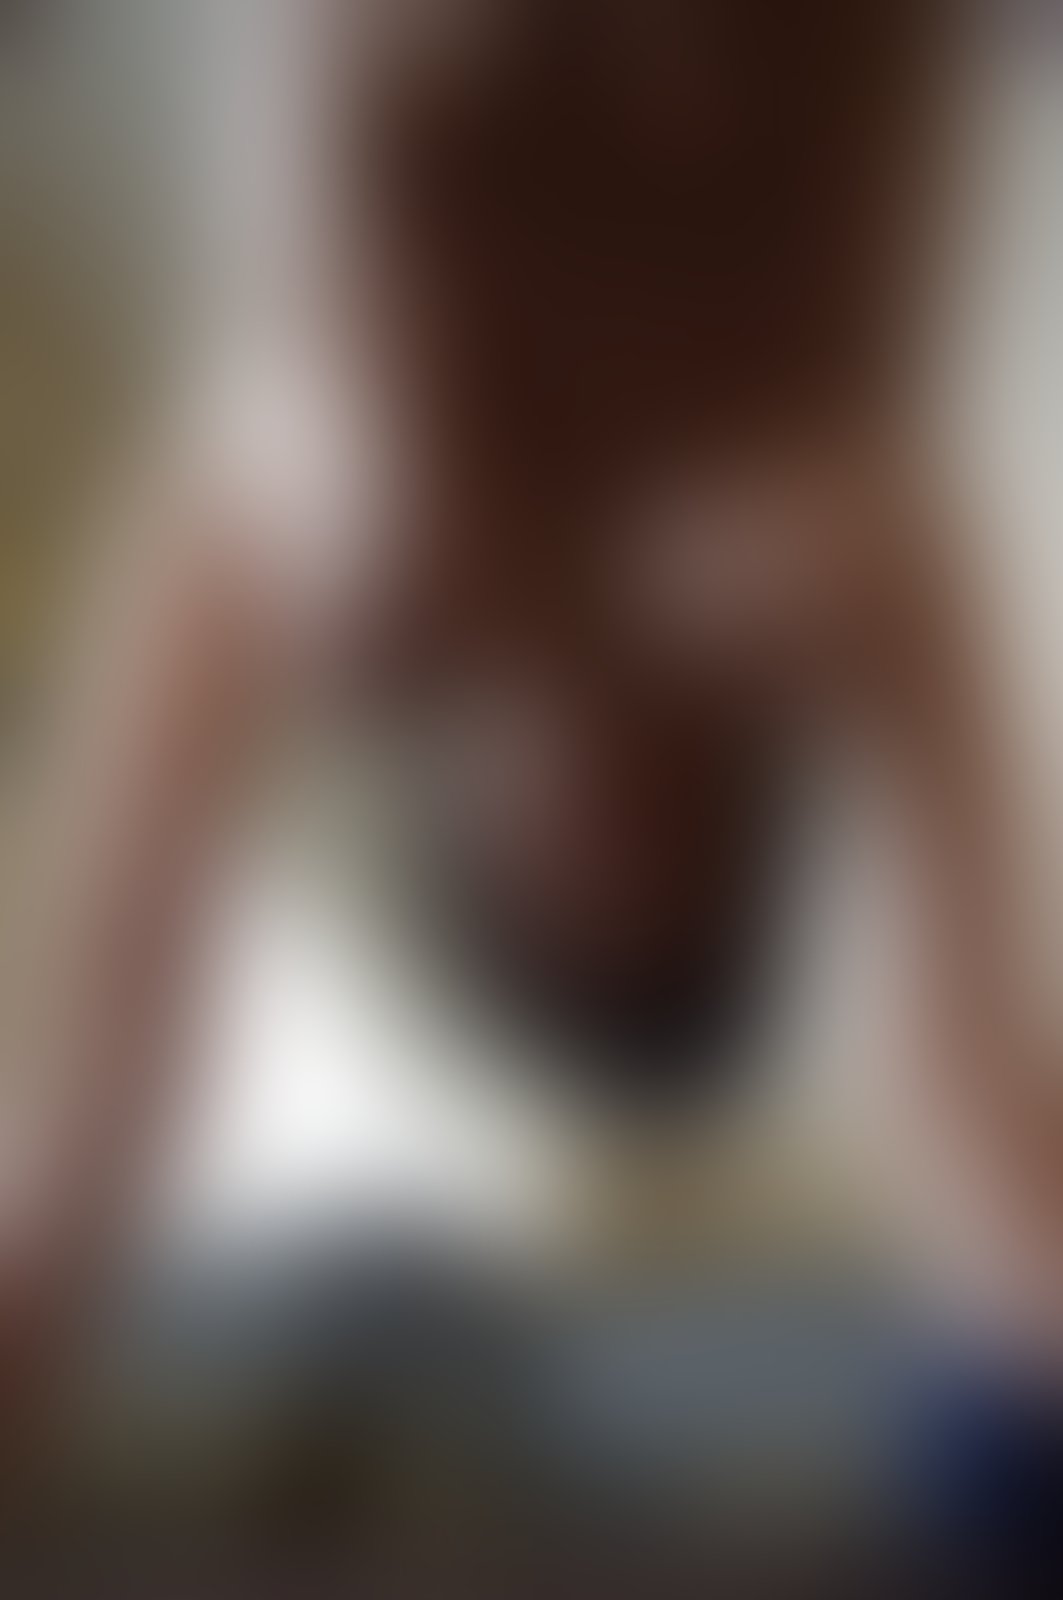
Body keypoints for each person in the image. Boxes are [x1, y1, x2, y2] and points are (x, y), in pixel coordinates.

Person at [2, 0, 1059, 1493]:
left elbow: (94, 1114)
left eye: (576, 852)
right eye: (669, 832)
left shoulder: (349, 570)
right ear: (740, 789)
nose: (611, 784)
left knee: (355, 482)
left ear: (469, 809)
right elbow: (967, 1096)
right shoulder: (822, 570)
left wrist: (53, 1254)